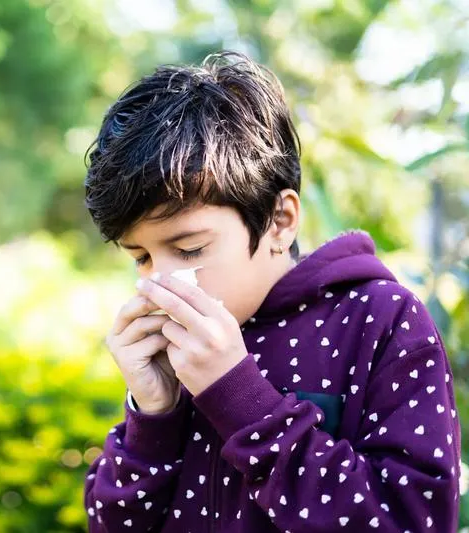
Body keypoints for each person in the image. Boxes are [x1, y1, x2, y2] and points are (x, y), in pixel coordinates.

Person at [82, 50, 460, 532]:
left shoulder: (380, 320)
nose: (159, 282)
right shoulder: (175, 348)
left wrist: (239, 395)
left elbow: (412, 519)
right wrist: (152, 416)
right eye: (141, 257)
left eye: (191, 248)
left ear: (280, 220)